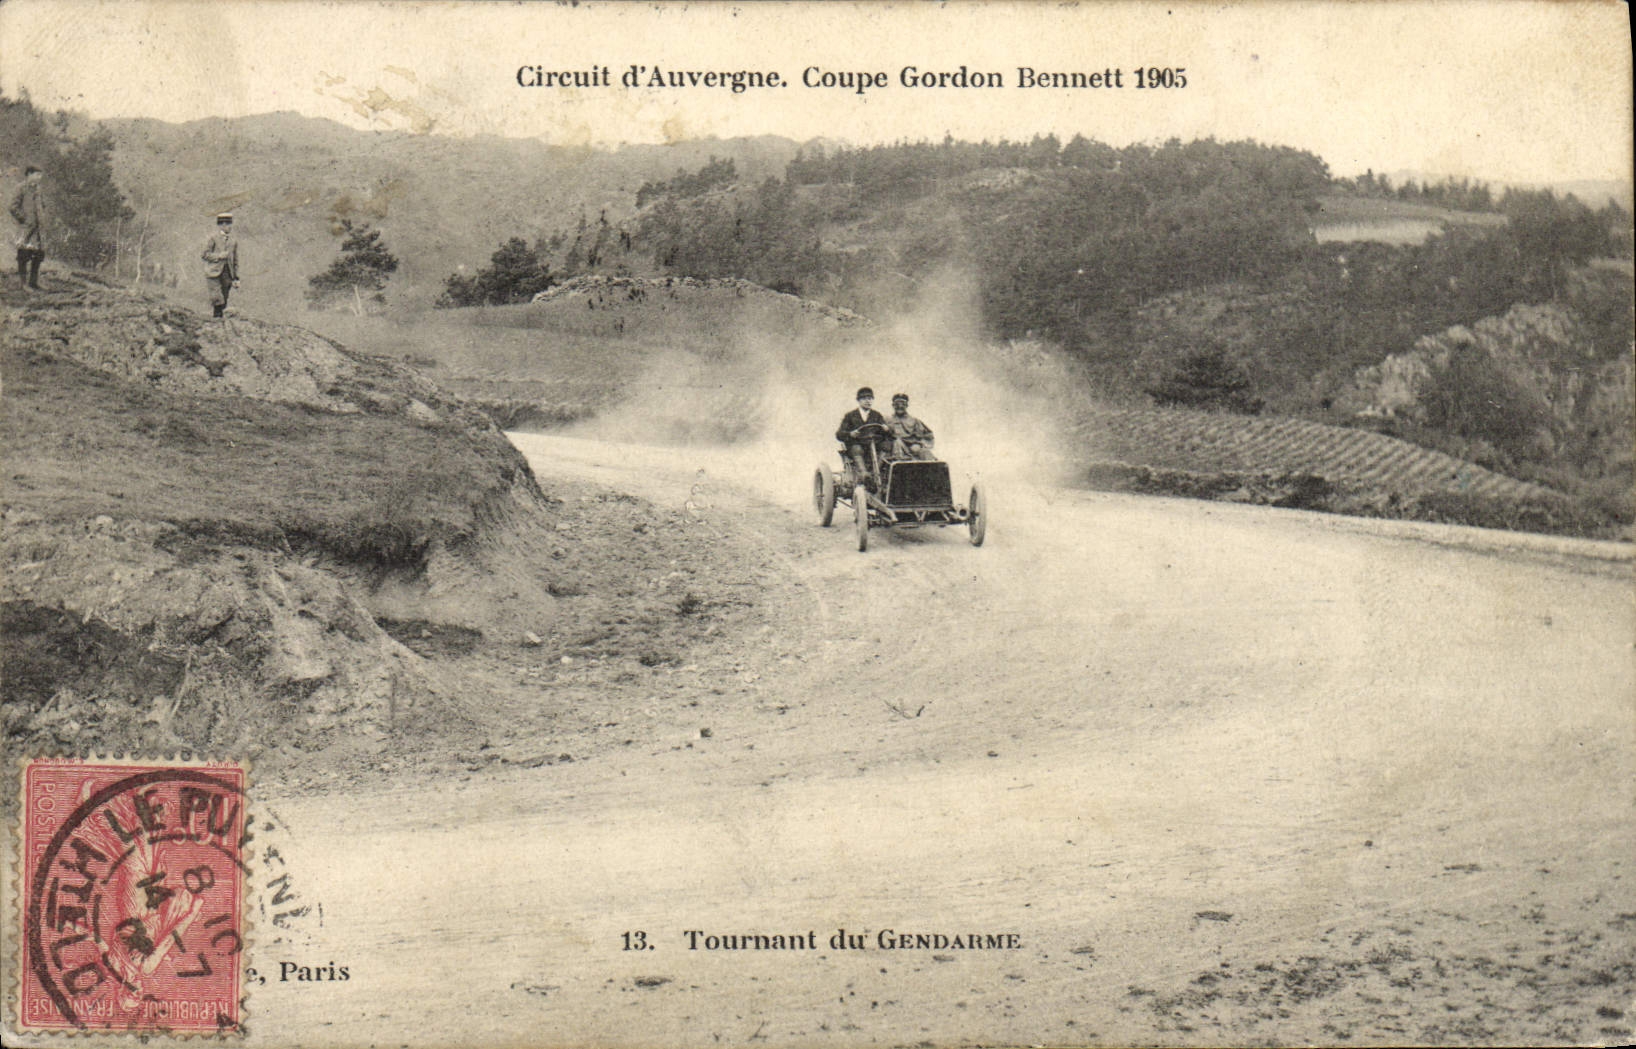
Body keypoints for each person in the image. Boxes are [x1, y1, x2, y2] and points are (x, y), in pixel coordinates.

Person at [835, 386, 889, 483]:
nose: (868, 401)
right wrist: (850, 434)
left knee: (887, 445)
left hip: (874, 446)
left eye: (870, 398)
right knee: (857, 449)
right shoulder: (850, 416)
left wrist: (885, 429)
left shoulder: (877, 415)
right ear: (858, 401)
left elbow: (886, 433)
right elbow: (839, 434)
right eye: (864, 398)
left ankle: (875, 473)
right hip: (857, 446)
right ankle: (864, 475)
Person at [10, 165, 46, 290]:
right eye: (37, 174)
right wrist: (24, 219)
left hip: (37, 229)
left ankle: (33, 282)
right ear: (29, 174)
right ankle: (23, 284)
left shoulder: (38, 189)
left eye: (40, 175)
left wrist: (41, 218)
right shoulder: (21, 188)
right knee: (23, 255)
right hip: (25, 228)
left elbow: (42, 205)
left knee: (38, 255)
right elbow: (13, 207)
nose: (39, 177)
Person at [201, 212, 240, 317]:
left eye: (230, 224)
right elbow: (204, 254)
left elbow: (235, 260)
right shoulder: (212, 238)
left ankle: (220, 324)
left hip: (227, 274)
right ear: (222, 225)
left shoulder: (233, 241)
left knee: (224, 299)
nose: (230, 227)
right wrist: (219, 256)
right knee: (217, 300)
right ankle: (216, 322)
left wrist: (236, 278)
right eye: (228, 224)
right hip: (214, 273)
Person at [886, 392, 936, 460]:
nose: (900, 406)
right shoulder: (887, 420)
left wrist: (919, 444)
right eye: (897, 404)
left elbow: (928, 436)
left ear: (906, 405)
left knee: (926, 454)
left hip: (912, 448)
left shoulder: (914, 421)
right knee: (897, 443)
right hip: (894, 449)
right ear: (893, 405)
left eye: (903, 404)